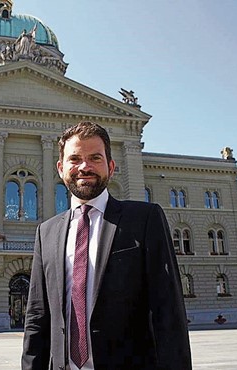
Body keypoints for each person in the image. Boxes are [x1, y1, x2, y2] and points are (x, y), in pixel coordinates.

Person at [22, 121, 191, 369]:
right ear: (60, 168)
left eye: (95, 158)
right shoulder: (46, 232)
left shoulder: (144, 220)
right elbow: (37, 318)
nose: (84, 167)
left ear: (110, 167)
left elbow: (169, 313)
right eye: (75, 158)